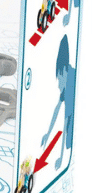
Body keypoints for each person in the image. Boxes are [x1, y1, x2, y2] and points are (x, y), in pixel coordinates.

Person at [41, 35, 75, 171]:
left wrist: (61, 158)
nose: (59, 84)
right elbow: (56, 110)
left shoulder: (70, 84)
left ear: (64, 71)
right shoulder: (67, 79)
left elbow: (66, 120)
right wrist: (47, 134)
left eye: (59, 77)